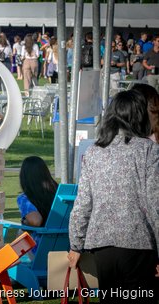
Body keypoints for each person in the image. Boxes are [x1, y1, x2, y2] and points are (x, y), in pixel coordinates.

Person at [68, 90, 159, 304]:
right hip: (139, 243)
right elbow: (156, 204)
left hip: (102, 246)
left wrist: (75, 244)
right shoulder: (148, 151)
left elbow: (82, 205)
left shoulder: (93, 152)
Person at [17, 156, 58, 254]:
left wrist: (24, 223)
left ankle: (16, 266)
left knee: (21, 232)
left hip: (41, 250)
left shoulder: (25, 198)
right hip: (65, 246)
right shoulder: (59, 192)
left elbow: (36, 221)